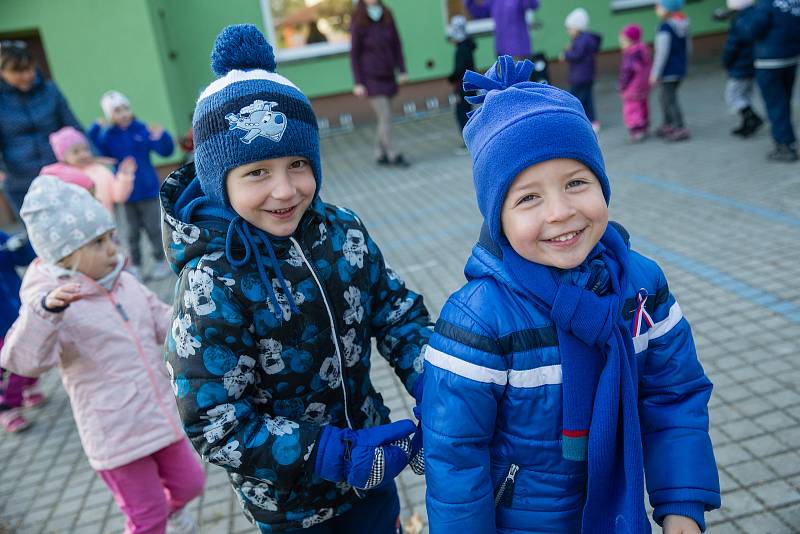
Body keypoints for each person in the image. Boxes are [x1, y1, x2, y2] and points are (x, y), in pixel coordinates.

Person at [422, 56, 720, 533]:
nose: (560, 212)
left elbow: (674, 395)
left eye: (576, 183)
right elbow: (454, 459)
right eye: (528, 198)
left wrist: (682, 503)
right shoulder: (479, 320)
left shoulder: (640, 286)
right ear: (497, 219)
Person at [162, 25, 430, 533]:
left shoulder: (341, 231)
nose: (284, 190)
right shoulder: (211, 281)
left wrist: (435, 380)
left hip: (372, 474)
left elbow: (396, 312)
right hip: (289, 506)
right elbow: (213, 420)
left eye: (298, 164)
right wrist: (329, 453)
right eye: (257, 172)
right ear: (221, 181)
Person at [0, 175, 204, 534]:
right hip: (116, 436)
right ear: (65, 255)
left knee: (192, 484)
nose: (112, 248)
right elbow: (22, 361)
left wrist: (198, 318)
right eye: (97, 243)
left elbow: (160, 320)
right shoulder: (51, 303)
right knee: (147, 515)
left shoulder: (123, 281)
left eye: (110, 236)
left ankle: (171, 514)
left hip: (159, 415)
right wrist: (45, 313)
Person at [88, 91, 175, 279]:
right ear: (110, 115)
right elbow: (92, 148)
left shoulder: (141, 129)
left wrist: (163, 137)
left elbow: (165, 151)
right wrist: (95, 128)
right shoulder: (107, 136)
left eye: (125, 108)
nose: (123, 113)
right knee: (130, 233)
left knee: (154, 228)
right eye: (117, 110)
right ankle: (135, 265)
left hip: (148, 190)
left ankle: (160, 261)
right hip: (125, 194)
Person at [0, 40, 82, 213]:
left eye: (29, 68)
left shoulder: (50, 90)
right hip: (19, 178)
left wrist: (92, 156)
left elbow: (73, 125)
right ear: (2, 72)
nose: (27, 75)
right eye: (18, 71)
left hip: (58, 171)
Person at [350, 0, 410, 167]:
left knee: (385, 117)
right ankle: (393, 154)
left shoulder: (387, 14)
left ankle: (379, 153)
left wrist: (403, 69)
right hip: (370, 78)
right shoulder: (358, 18)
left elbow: (397, 44)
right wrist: (358, 82)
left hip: (388, 74)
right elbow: (355, 53)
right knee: (385, 116)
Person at [738, 0, 800, 162]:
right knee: (783, 102)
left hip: (769, 62)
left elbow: (750, 31)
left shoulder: (766, 4)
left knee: (776, 105)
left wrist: (742, 13)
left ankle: (785, 146)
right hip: (791, 58)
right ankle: (788, 139)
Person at [0, 230, 41, 433]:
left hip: (15, 312)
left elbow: (24, 258)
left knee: (27, 354)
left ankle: (30, 385)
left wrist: (22, 246)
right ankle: (7, 407)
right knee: (5, 365)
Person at [42, 126, 135, 214]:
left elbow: (118, 196)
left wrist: (124, 176)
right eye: (76, 152)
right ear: (63, 157)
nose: (83, 154)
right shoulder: (62, 176)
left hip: (105, 224)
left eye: (85, 149)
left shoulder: (100, 170)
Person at [650, 0, 692, 142]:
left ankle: (679, 127)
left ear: (667, 8)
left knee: (670, 99)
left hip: (667, 71)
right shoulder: (684, 25)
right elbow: (688, 48)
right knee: (665, 98)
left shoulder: (665, 28)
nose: (656, 8)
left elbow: (662, 53)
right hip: (679, 70)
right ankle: (668, 124)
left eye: (658, 5)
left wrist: (655, 73)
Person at [722, 0, 764, 138]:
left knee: (733, 96)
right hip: (753, 64)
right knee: (745, 95)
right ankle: (748, 121)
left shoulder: (739, 21)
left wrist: (726, 61)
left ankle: (752, 118)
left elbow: (732, 46)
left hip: (739, 67)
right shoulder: (758, 16)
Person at [562, 8, 602, 132]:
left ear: (577, 27)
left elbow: (577, 55)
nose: (568, 32)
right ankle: (591, 120)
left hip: (581, 76)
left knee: (577, 98)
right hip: (586, 75)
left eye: (570, 28)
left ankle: (581, 120)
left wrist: (566, 54)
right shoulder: (585, 39)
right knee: (587, 98)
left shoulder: (582, 40)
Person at [464, 0, 539, 59]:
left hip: (519, 49)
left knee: (519, 77)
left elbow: (533, 4)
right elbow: (480, 13)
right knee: (505, 77)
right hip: (501, 50)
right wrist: (469, 2)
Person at [619, 24, 653, 143]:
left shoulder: (631, 55)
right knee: (643, 106)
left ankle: (636, 131)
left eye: (623, 41)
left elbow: (627, 73)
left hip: (632, 88)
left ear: (631, 40)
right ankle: (644, 126)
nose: (621, 44)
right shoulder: (643, 50)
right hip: (643, 86)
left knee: (632, 109)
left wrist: (622, 86)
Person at [446, 15, 476, 135]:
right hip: (468, 84)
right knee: (466, 110)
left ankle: (468, 137)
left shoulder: (462, 49)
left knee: (462, 112)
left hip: (462, 86)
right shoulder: (467, 47)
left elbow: (460, 68)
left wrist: (451, 78)